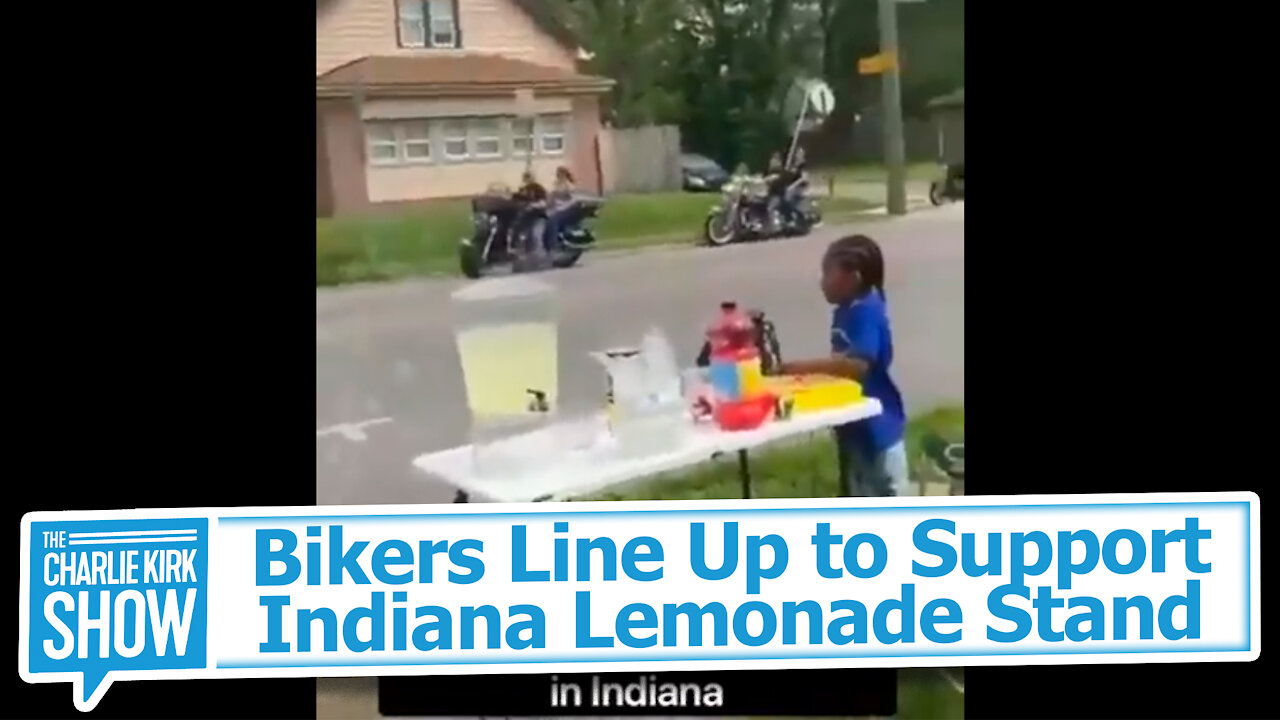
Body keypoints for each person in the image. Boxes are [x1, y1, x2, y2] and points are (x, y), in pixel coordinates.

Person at [778, 234, 908, 497]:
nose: (821, 281)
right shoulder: (847, 309)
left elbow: (858, 365)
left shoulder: (865, 311)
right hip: (856, 427)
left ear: (854, 278)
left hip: (877, 428)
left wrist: (801, 368)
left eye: (828, 273)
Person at [511, 171, 549, 263]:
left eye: (529, 177)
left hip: (538, 216)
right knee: (515, 228)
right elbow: (516, 201)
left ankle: (542, 256)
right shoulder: (523, 190)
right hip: (526, 217)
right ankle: (516, 250)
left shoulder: (538, 189)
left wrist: (533, 206)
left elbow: (543, 203)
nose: (527, 180)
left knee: (536, 234)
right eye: (525, 178)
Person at [543, 166, 577, 252]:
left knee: (553, 220)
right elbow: (551, 198)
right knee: (546, 218)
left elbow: (571, 196)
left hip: (565, 207)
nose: (558, 176)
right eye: (558, 174)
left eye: (560, 174)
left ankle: (553, 244)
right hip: (556, 207)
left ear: (564, 174)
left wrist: (558, 193)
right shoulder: (556, 184)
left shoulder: (568, 185)